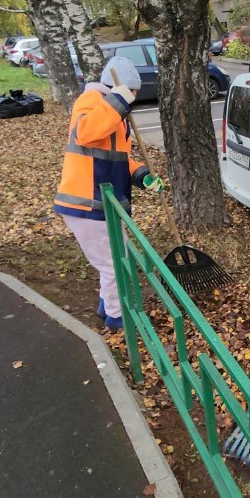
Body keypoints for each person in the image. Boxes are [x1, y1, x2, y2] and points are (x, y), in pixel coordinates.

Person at [54, 56, 165, 331]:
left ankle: (107, 307)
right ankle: (119, 319)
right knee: (115, 263)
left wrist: (142, 175)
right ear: (120, 89)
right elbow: (86, 133)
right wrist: (117, 102)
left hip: (107, 201)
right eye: (133, 94)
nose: (134, 100)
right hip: (87, 202)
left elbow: (118, 158)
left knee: (118, 256)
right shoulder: (91, 101)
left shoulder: (115, 115)